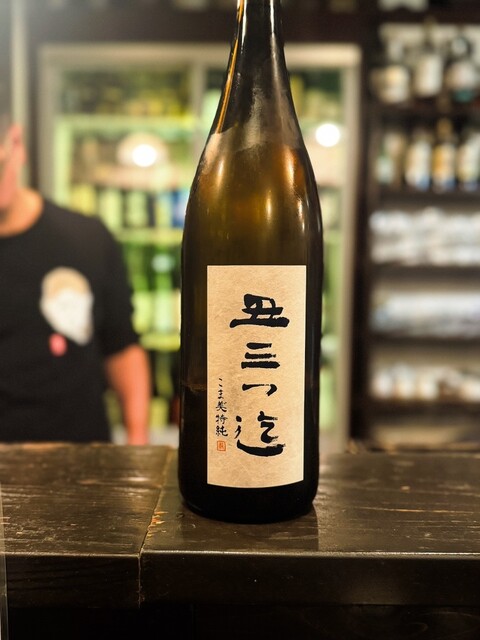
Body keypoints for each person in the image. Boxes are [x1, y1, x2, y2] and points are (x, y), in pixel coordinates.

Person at [0, 117, 151, 444]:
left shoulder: (87, 238)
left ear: (17, 145)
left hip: (84, 459)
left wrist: (138, 438)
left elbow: (122, 347)